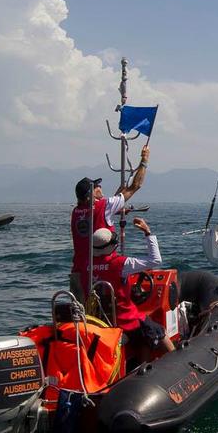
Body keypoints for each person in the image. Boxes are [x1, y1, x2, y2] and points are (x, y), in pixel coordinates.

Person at [90, 217, 174, 363]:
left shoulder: (88, 264)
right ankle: (177, 361)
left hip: (102, 319)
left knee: (144, 336)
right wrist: (148, 232)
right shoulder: (120, 264)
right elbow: (155, 260)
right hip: (126, 319)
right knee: (158, 331)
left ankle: (142, 365)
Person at [71, 145, 150, 295]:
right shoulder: (103, 206)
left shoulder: (76, 211)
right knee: (107, 310)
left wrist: (117, 206)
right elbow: (135, 186)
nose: (100, 187)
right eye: (96, 186)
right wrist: (144, 160)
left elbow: (99, 214)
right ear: (91, 195)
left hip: (79, 272)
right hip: (102, 271)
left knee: (80, 313)